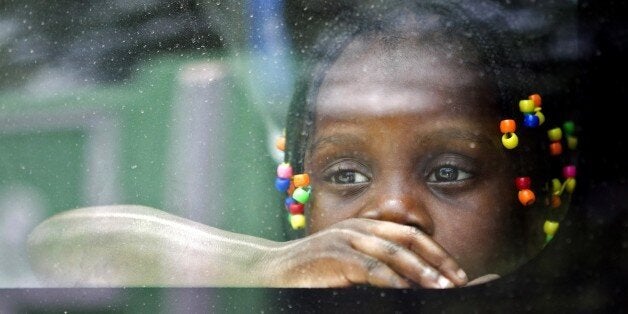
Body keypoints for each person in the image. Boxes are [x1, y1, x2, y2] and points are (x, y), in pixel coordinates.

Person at [26, 0, 578, 289]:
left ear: (538, 202)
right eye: (345, 175)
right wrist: (264, 267)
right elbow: (59, 246)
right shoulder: (282, 278)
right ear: (300, 200)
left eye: (450, 172)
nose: (392, 209)